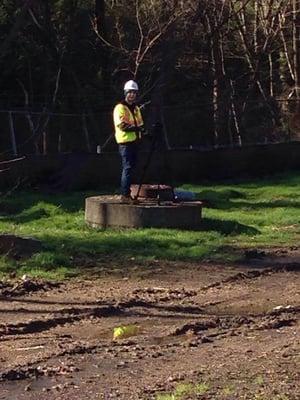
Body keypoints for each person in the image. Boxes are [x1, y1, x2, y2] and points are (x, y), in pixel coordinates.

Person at [113, 80, 145, 202]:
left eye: (134, 92)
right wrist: (137, 128)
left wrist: (142, 131)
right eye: (130, 92)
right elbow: (122, 126)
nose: (132, 95)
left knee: (132, 168)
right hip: (125, 143)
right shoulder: (120, 108)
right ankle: (125, 195)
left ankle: (128, 193)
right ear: (125, 93)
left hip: (135, 142)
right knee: (127, 168)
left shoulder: (136, 108)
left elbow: (140, 123)